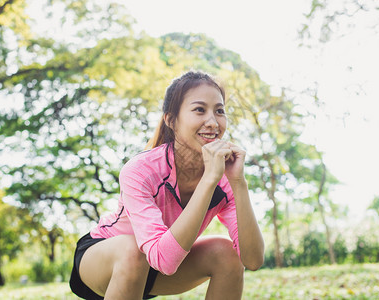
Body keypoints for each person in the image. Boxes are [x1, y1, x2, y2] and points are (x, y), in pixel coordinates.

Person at [69, 71, 265, 299]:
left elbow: (253, 260)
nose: (212, 122)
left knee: (227, 254)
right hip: (105, 259)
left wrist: (239, 183)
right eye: (199, 110)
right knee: (134, 251)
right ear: (171, 120)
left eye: (219, 111)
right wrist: (209, 179)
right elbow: (165, 261)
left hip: (158, 266)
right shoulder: (141, 170)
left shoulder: (226, 177)